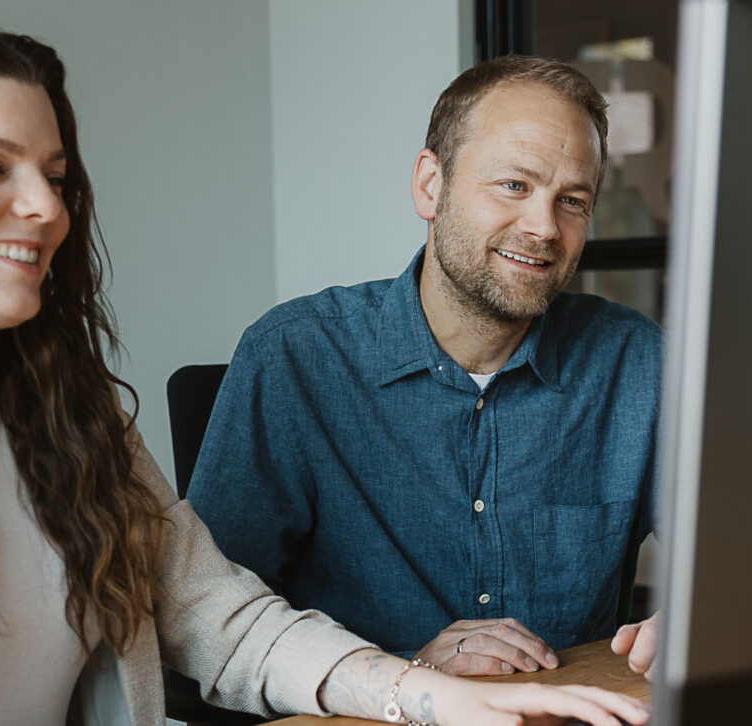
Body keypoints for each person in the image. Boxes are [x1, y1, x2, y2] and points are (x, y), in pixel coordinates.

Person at [0, 22, 650, 726]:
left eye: (57, 176)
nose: (45, 207)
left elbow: (218, 614)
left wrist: (422, 696)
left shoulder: (65, 413)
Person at [186, 55, 664, 680]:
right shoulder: (293, 359)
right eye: (514, 185)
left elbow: (745, 560)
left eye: (572, 200)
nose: (544, 227)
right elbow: (202, 630)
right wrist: (403, 674)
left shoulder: (640, 364)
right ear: (429, 185)